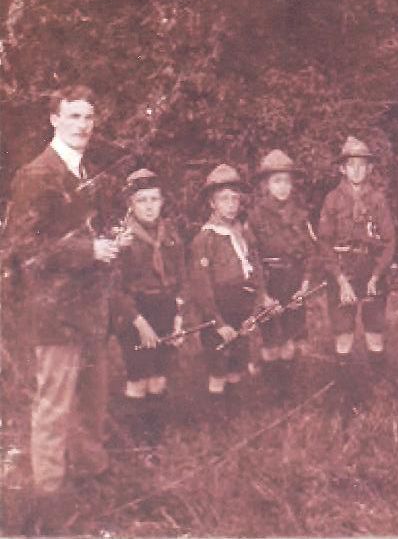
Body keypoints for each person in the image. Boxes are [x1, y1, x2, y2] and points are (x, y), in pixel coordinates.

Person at [3, 86, 126, 532]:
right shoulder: (36, 174)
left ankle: (91, 474)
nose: (83, 125)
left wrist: (109, 243)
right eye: (73, 116)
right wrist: (89, 250)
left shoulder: (84, 170)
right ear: (54, 120)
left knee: (92, 398)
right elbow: (23, 247)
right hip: (54, 314)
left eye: (88, 117)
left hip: (88, 312)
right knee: (54, 405)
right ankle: (49, 496)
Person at [110, 168, 186, 454]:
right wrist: (139, 323)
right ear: (130, 204)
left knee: (159, 375)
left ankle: (155, 439)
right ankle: (138, 443)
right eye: (142, 200)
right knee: (139, 377)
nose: (149, 206)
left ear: (162, 201)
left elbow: (181, 278)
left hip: (165, 307)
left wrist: (178, 317)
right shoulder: (123, 238)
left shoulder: (171, 233)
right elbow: (115, 289)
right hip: (134, 312)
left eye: (154, 199)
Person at [188, 164, 273, 411]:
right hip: (219, 310)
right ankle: (216, 419)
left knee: (237, 363)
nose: (231, 205)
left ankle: (233, 415)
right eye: (224, 199)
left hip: (241, 308)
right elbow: (201, 286)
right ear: (212, 203)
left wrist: (256, 305)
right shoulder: (205, 239)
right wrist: (218, 322)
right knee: (218, 367)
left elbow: (255, 268)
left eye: (235, 199)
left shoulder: (243, 233)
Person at [317, 137, 396, 402]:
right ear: (343, 169)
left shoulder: (378, 199)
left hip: (371, 269)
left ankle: (379, 390)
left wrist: (377, 276)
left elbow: (389, 241)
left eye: (362, 165)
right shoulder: (332, 200)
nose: (357, 170)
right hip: (342, 271)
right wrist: (340, 281)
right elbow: (324, 243)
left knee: (375, 331)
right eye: (351, 165)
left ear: (370, 168)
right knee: (344, 333)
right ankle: (345, 393)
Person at [247, 150, 318, 397]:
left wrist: (305, 284)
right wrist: (262, 294)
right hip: (268, 281)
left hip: (293, 281)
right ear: (265, 185)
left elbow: (311, 251)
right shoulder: (255, 217)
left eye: (287, 181)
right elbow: (251, 258)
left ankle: (286, 391)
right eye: (276, 181)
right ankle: (271, 390)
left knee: (289, 338)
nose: (282, 187)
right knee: (270, 340)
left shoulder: (301, 214)